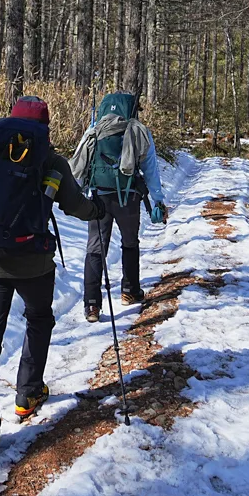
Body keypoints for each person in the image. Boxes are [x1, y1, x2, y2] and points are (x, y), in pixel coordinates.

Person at [0, 95, 96, 461]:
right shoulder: (51, 161)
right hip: (34, 262)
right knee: (39, 318)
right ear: (45, 127)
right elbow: (76, 206)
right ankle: (27, 394)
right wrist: (99, 210)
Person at [70, 92, 168, 323]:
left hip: (98, 197)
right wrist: (158, 200)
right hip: (128, 197)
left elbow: (79, 163)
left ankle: (92, 305)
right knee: (130, 242)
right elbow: (151, 170)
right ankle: (129, 291)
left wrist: (75, 195)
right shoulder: (139, 131)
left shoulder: (94, 130)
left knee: (95, 248)